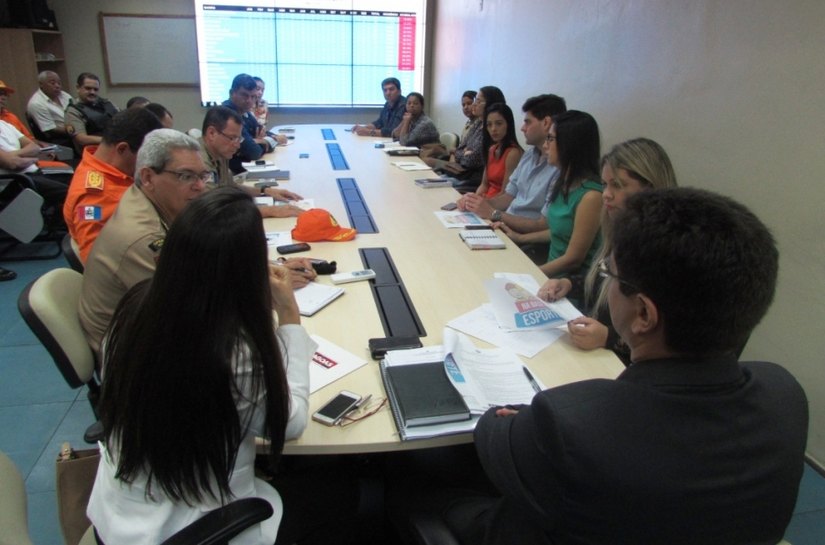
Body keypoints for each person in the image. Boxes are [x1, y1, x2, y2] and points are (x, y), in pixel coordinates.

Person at [402, 187, 808, 545]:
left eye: (611, 274)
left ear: (644, 314)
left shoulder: (571, 422)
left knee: (415, 482)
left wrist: (509, 418)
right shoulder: (785, 395)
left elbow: (492, 432)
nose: (608, 284)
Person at [87, 186, 316, 544]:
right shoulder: (234, 351)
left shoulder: (135, 308)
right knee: (333, 494)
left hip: (120, 514)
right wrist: (288, 316)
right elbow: (290, 423)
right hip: (185, 526)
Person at [80, 129, 315, 358]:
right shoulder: (144, 238)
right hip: (133, 356)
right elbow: (190, 306)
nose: (201, 187)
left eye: (203, 176)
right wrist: (261, 285)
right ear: (148, 177)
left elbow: (200, 268)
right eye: (186, 176)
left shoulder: (158, 203)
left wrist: (266, 267)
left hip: (154, 329)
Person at [538, 138, 678, 364]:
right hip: (592, 346)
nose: (606, 194)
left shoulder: (664, 251)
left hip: (625, 363)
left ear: (650, 188)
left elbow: (667, 341)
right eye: (604, 184)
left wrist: (608, 338)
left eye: (618, 185)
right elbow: (606, 282)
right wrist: (570, 283)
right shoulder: (619, 229)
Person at [458, 94, 567, 264]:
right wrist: (475, 202)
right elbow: (508, 196)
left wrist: (494, 213)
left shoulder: (560, 169)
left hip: (524, 241)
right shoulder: (529, 155)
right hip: (503, 227)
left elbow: (543, 225)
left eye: (528, 122)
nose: (523, 128)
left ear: (546, 123)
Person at [498, 110, 603, 278]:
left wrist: (532, 275)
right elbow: (558, 232)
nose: (545, 145)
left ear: (570, 144)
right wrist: (519, 238)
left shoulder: (591, 196)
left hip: (567, 285)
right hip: (548, 273)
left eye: (551, 139)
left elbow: (573, 259)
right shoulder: (563, 182)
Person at [62, 108, 163, 262]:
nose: (148, 164)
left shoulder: (105, 166)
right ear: (122, 149)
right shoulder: (93, 197)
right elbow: (97, 261)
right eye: (145, 157)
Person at [199, 106, 304, 218]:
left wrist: (265, 191)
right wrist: (270, 211)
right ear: (211, 133)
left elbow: (230, 187)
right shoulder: (199, 163)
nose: (238, 145)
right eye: (232, 138)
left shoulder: (219, 153)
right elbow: (214, 212)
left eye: (239, 139)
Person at [435, 85, 506, 192]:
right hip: (462, 174)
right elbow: (461, 150)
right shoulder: (477, 124)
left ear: (490, 104)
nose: (474, 105)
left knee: (436, 187)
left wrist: (462, 153)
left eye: (477, 101)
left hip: (471, 180)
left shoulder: (491, 131)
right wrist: (464, 152)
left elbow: (471, 160)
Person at [222, 73, 284, 174]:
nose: (249, 101)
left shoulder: (244, 111)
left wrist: (261, 140)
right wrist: (267, 141)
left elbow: (260, 129)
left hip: (247, 167)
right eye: (245, 95)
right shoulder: (228, 114)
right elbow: (254, 152)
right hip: (236, 172)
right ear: (232, 93)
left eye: (253, 97)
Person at [474, 102, 522, 198]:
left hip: (498, 206)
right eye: (489, 125)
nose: (493, 129)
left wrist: (483, 203)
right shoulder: (492, 149)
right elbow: (484, 185)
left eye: (499, 123)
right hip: (485, 201)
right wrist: (474, 199)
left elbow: (505, 194)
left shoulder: (513, 153)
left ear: (508, 124)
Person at [64, 73, 118, 153]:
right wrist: (112, 140)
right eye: (88, 88)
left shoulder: (108, 103)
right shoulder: (73, 111)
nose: (92, 92)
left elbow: (124, 120)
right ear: (78, 88)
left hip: (115, 147)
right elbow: (82, 139)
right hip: (94, 152)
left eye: (95, 89)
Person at [26, 71, 74, 148]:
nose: (57, 86)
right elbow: (50, 129)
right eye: (52, 83)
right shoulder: (36, 103)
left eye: (59, 83)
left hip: (75, 129)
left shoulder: (64, 95)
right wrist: (75, 130)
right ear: (41, 84)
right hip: (60, 139)